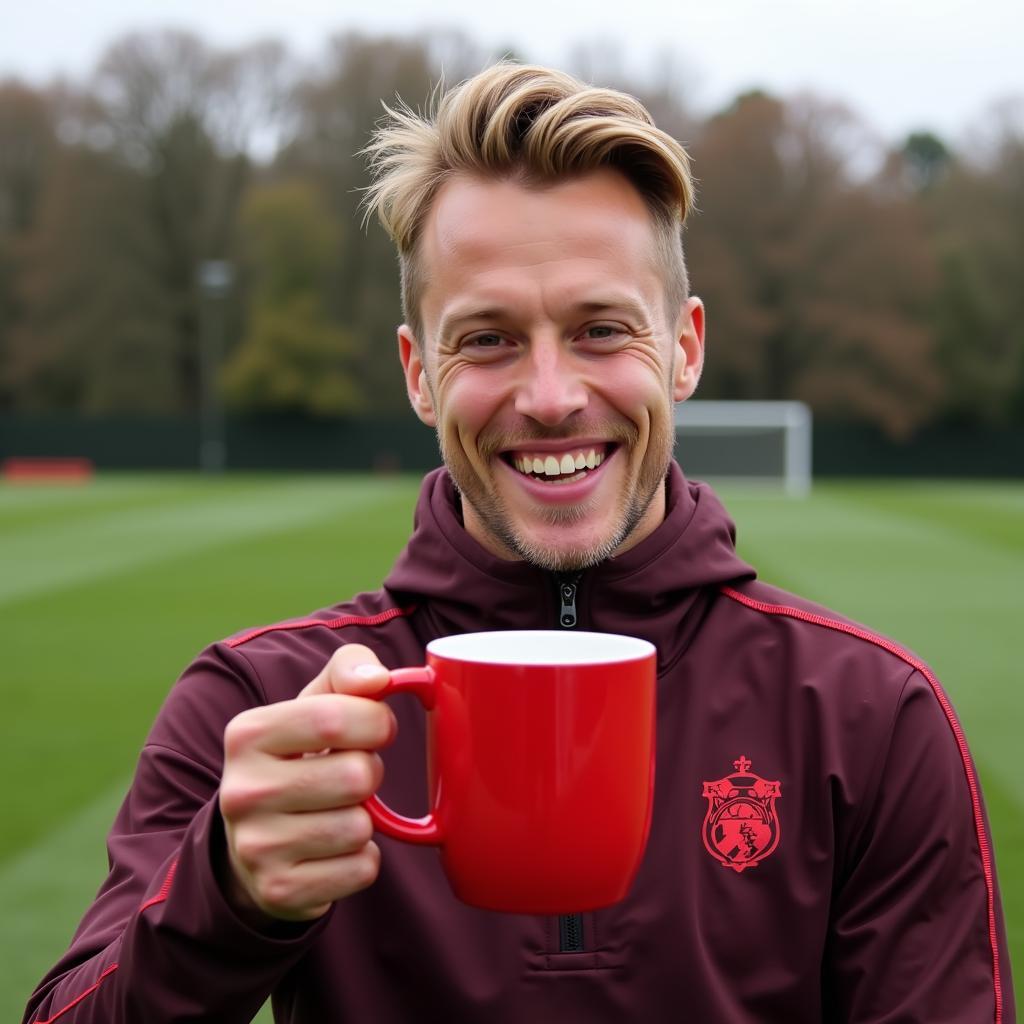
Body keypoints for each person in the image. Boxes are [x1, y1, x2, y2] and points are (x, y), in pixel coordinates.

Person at [25, 63, 1014, 1024]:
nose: (548, 398)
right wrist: (226, 897)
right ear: (418, 372)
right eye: (488, 338)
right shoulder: (265, 709)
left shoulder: (870, 717)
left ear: (684, 347)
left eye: (599, 330)